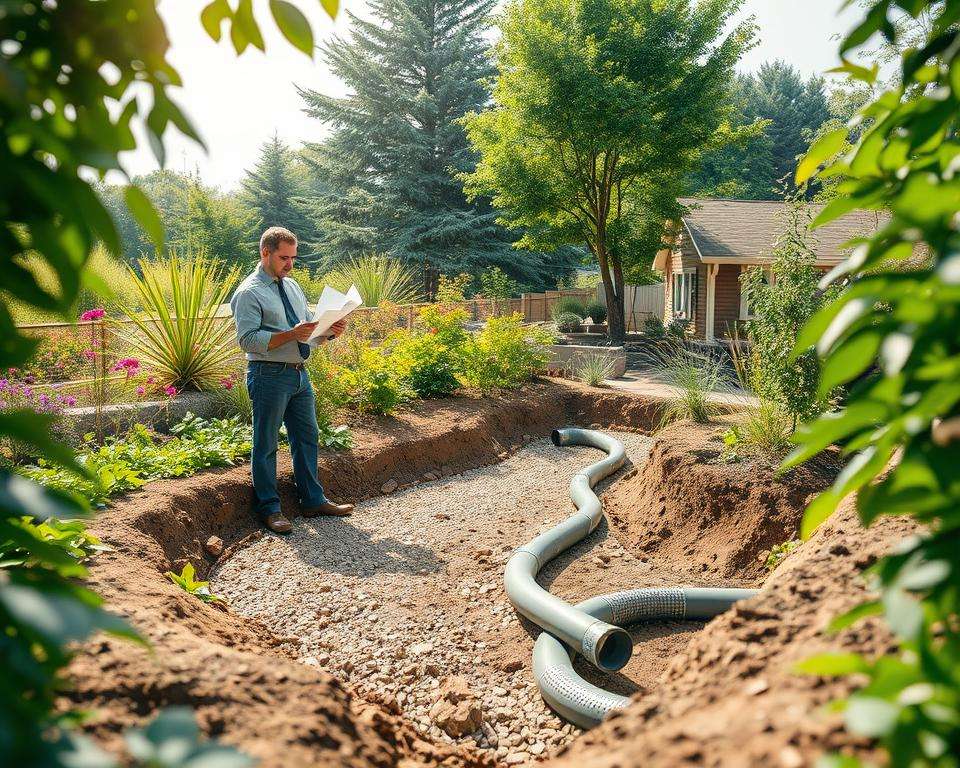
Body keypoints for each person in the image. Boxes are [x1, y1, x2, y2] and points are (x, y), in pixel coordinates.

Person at [230, 226, 354, 533]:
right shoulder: (248, 292)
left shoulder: (293, 286)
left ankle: (313, 500)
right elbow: (247, 340)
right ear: (265, 253)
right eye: (284, 258)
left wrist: (329, 331)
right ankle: (270, 509)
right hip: (268, 375)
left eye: (293, 257)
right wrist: (290, 335)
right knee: (266, 443)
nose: (290, 264)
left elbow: (308, 330)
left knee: (307, 438)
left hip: (300, 375)